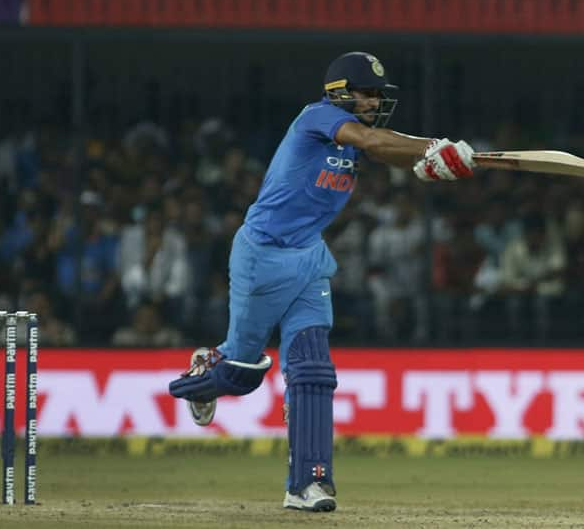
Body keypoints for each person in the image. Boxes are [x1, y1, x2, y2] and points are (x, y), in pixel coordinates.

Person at [168, 52, 476, 512]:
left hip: (310, 257)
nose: (373, 101)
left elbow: (388, 151)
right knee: (241, 374)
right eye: (366, 93)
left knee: (312, 370)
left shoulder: (356, 141)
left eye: (377, 94)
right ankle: (203, 373)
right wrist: (433, 146)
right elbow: (374, 141)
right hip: (262, 254)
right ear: (340, 92)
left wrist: (433, 158)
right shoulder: (318, 117)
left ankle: (307, 485)